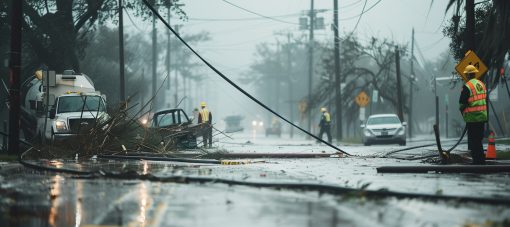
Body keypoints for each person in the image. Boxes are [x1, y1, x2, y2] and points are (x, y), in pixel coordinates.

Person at [459, 65, 487, 165]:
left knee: (474, 142)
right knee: (479, 140)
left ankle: (477, 162)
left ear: (467, 75)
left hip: (472, 118)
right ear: (475, 73)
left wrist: (462, 112)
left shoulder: (467, 86)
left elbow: (462, 103)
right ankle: (480, 161)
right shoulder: (481, 84)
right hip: (482, 117)